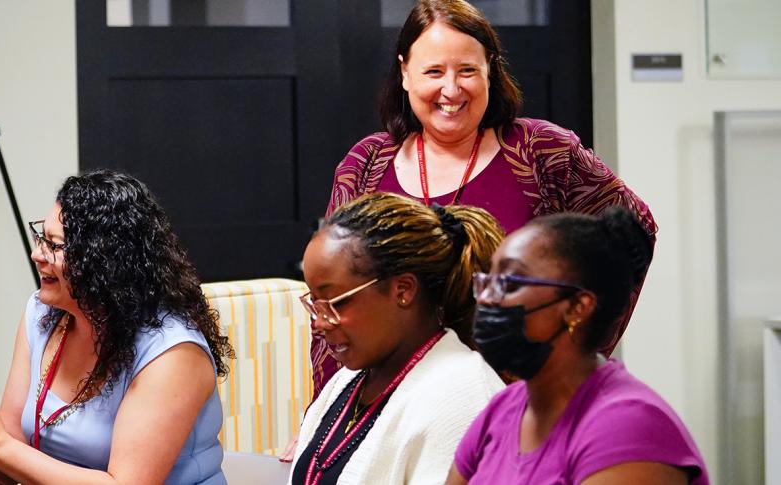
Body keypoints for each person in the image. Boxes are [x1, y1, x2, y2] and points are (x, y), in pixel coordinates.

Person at [314, 0, 658, 401]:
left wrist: (578, 351)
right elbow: (330, 295)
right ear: (405, 72)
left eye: (467, 71)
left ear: (490, 71)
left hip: (517, 402)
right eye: (433, 71)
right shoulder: (367, 164)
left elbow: (634, 230)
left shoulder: (541, 151)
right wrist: (326, 409)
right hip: (390, 408)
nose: (451, 89)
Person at [0, 170, 234, 484]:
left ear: (106, 260)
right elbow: (10, 463)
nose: (36, 254)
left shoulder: (172, 352)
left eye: (55, 246)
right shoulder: (42, 314)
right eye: (41, 237)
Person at [446, 207, 708, 484]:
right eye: (488, 281)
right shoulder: (502, 409)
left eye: (509, 283)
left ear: (576, 307)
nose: (487, 299)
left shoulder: (626, 428)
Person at [288, 192, 505, 484]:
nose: (320, 323)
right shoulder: (348, 382)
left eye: (336, 303)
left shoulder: (462, 395)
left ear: (403, 290)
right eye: (314, 304)